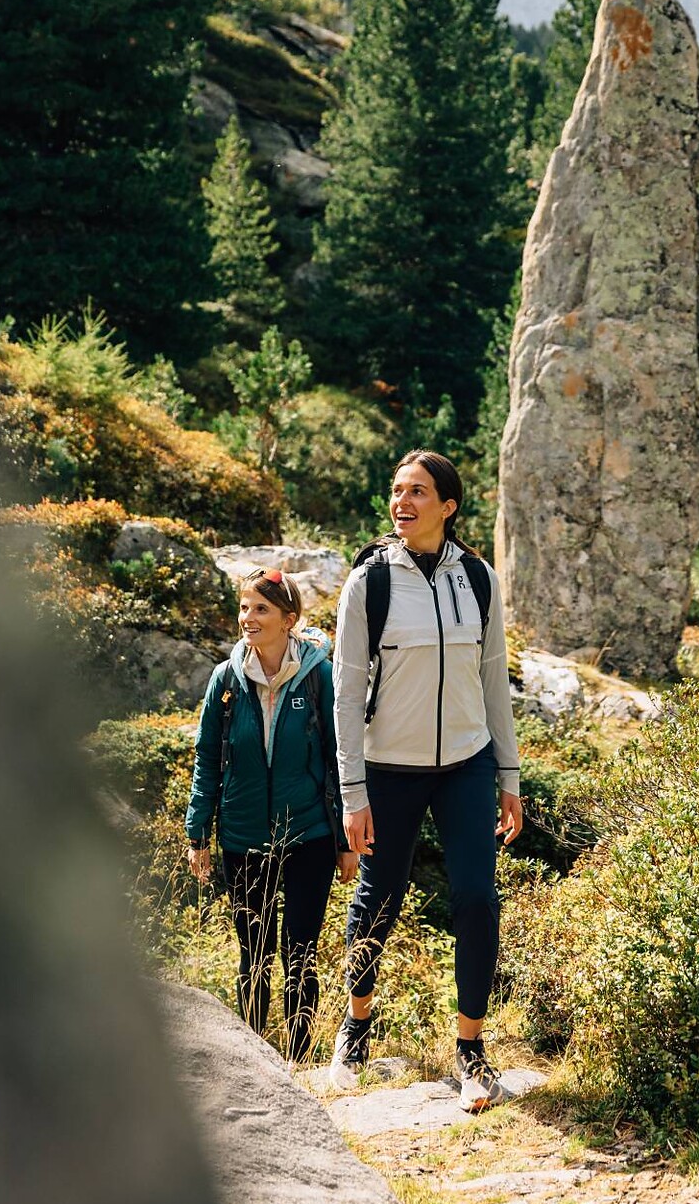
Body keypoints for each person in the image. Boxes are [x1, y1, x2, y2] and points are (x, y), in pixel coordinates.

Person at [329, 451, 523, 1112]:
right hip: (388, 770)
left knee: (476, 899)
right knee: (376, 900)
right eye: (395, 491)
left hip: (465, 765)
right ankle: (356, 1025)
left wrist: (509, 775)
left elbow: (492, 680)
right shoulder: (369, 583)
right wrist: (351, 794)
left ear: (448, 505)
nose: (401, 502)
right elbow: (345, 693)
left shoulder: (478, 579)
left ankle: (471, 1053)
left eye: (417, 492)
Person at [185, 568, 358, 1064]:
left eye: (260, 609)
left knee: (299, 954)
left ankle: (300, 1060)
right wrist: (199, 832)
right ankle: (258, 1062)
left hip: (309, 835)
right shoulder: (225, 679)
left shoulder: (319, 676)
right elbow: (207, 757)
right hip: (242, 837)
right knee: (253, 954)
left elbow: (340, 757)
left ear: (289, 619)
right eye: (244, 607)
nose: (248, 618)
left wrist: (347, 841)